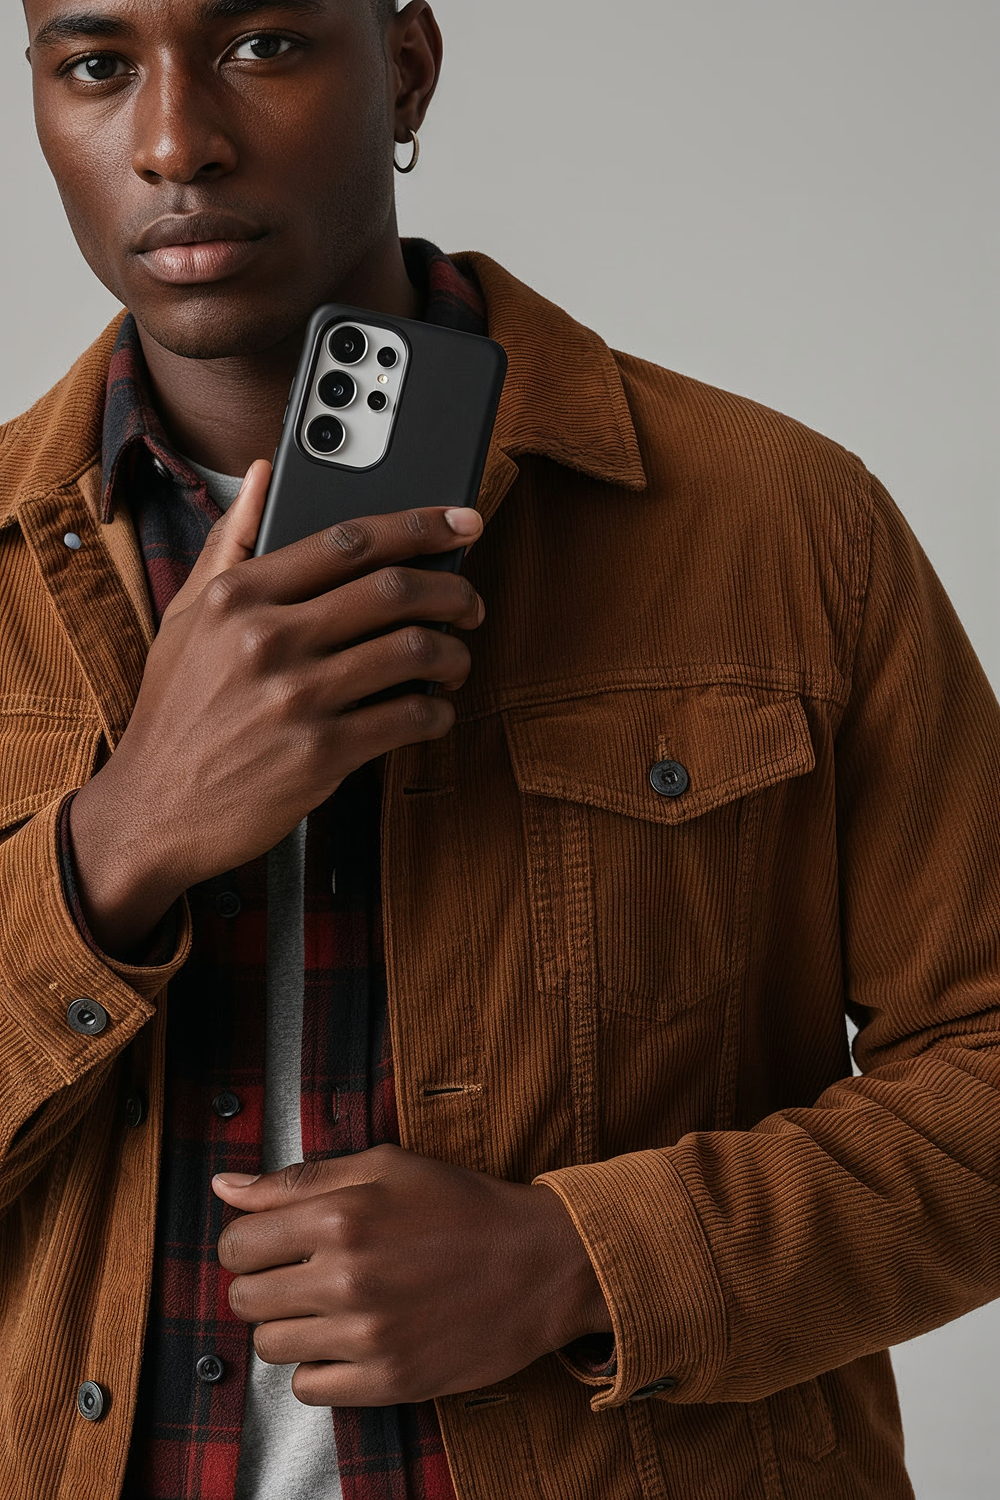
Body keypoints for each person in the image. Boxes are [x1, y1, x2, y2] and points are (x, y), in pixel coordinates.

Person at [2, 1, 999, 1497]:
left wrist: (577, 1263)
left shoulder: (784, 525)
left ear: (405, 66)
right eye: (95, 66)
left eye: (263, 44)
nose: (172, 143)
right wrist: (122, 839)